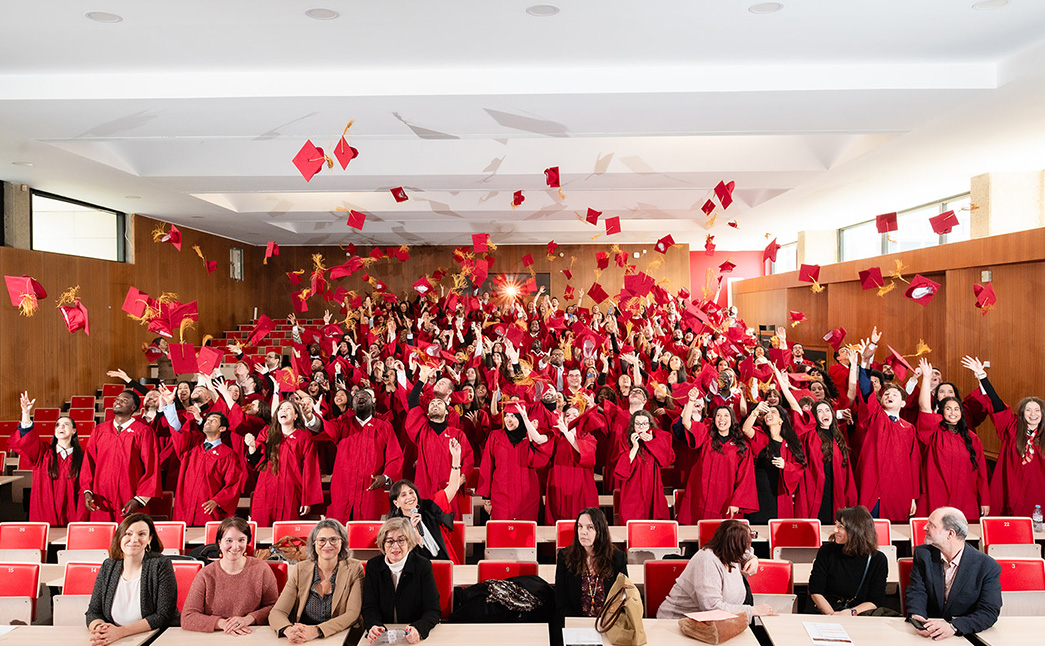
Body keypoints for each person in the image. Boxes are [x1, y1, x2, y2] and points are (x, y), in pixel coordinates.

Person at [961, 356, 1045, 516]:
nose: (1033, 414)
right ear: (1022, 413)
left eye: (1037, 410)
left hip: (1037, 495)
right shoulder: (1012, 427)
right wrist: (982, 376)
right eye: (1028, 410)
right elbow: (996, 402)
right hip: (1011, 488)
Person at [906, 507, 1002, 639]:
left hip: (964, 634)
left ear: (950, 534)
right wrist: (917, 616)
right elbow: (917, 591)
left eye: (931, 525)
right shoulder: (923, 554)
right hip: (928, 633)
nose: (924, 527)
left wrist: (953, 626)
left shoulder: (987, 567)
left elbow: (988, 612)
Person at [85, 513, 177, 645]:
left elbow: (163, 615)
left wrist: (120, 632)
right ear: (120, 537)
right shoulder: (108, 565)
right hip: (115, 640)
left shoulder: (160, 565)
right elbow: (93, 611)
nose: (134, 539)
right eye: (128, 534)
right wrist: (99, 629)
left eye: (141, 534)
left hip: (153, 638)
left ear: (149, 539)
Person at [656, 519, 774, 621]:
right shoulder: (707, 561)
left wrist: (754, 558)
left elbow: (747, 553)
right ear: (734, 546)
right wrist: (753, 610)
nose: (748, 547)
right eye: (746, 543)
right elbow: (712, 608)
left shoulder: (731, 554)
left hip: (719, 622)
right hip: (681, 621)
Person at [269, 519, 365, 643]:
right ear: (314, 544)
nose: (328, 544)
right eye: (322, 540)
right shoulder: (300, 569)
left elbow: (353, 614)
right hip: (303, 639)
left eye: (333, 539)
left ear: (342, 542)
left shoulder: (354, 568)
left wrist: (316, 631)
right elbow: (278, 611)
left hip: (339, 638)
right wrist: (288, 630)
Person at [915, 359, 989, 520]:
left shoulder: (972, 438)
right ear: (942, 411)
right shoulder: (934, 431)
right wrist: (926, 378)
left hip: (965, 496)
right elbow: (924, 408)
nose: (953, 412)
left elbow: (981, 472)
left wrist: (985, 500)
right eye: (948, 408)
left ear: (962, 412)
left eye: (956, 409)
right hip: (936, 494)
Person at [181, 516, 280, 634]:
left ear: (247, 541)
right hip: (216, 637)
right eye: (229, 540)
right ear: (219, 542)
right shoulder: (206, 574)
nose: (235, 546)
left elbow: (275, 608)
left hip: (252, 634)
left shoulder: (261, 568)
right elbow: (188, 617)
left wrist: (249, 619)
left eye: (241, 540)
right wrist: (222, 623)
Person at [161, 387, 246, 525]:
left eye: (213, 420)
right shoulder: (192, 445)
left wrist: (217, 501)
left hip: (208, 510)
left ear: (222, 429)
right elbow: (177, 431)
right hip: (185, 507)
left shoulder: (228, 454)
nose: (208, 421)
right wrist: (170, 405)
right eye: (208, 419)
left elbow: (233, 484)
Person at [319, 388, 404, 522]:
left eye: (366, 396)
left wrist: (386, 477)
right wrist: (311, 418)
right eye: (357, 396)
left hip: (369, 490)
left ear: (373, 403)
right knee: (339, 531)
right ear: (351, 405)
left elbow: (395, 456)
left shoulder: (384, 427)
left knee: (366, 532)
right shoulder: (342, 424)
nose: (361, 397)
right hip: (343, 489)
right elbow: (324, 428)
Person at [81, 389, 161, 521]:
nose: (118, 402)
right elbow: (88, 463)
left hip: (129, 496)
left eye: (124, 400)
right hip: (101, 498)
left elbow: (151, 468)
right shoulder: (100, 430)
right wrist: (87, 491)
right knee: (102, 538)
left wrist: (139, 499)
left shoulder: (143, 431)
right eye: (117, 399)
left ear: (133, 407)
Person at [675, 399, 759, 523]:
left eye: (726, 415)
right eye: (718, 415)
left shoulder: (741, 446)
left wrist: (736, 502)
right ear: (714, 420)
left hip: (726, 498)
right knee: (700, 532)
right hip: (702, 495)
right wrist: (691, 401)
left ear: (732, 420)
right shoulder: (706, 437)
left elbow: (746, 477)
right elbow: (687, 423)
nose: (722, 419)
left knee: (725, 535)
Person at [361, 517, 441, 645]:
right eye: (390, 541)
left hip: (412, 634)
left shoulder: (422, 565)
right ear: (383, 543)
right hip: (384, 636)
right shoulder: (373, 566)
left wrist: (419, 629)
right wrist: (374, 625)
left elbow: (433, 610)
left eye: (401, 540)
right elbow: (370, 607)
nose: (395, 546)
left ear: (409, 542)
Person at [9, 391, 85, 524]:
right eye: (57, 425)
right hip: (44, 512)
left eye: (66, 424)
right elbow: (27, 442)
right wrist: (26, 414)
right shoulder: (43, 453)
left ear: (74, 431)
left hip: (71, 513)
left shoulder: (82, 457)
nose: (61, 426)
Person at [386, 436, 464, 564]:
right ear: (396, 502)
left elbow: (453, 488)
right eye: (403, 495)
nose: (410, 497)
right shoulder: (394, 526)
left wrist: (456, 458)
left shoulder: (428, 507)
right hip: (414, 572)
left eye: (412, 492)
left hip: (442, 563)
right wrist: (412, 532)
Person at [246, 400, 324, 525]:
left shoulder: (304, 437)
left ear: (296, 416)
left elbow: (310, 469)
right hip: (265, 490)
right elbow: (256, 461)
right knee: (262, 528)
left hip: (291, 492)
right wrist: (251, 447)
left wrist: (307, 499)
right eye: (281, 408)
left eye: (288, 408)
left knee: (287, 533)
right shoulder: (267, 433)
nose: (283, 410)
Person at [808, 506, 888, 615]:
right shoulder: (827, 551)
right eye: (836, 524)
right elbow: (816, 591)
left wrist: (851, 612)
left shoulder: (878, 560)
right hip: (827, 612)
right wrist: (831, 615)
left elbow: (875, 600)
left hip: (859, 616)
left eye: (840, 527)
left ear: (856, 530)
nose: (835, 530)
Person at [476, 402, 546, 521]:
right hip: (501, 495)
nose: (509, 419)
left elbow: (540, 462)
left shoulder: (531, 438)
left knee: (526, 532)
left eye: (513, 416)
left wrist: (531, 439)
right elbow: (487, 466)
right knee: (501, 532)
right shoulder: (495, 436)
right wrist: (486, 498)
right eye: (506, 415)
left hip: (528, 496)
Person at [554, 507, 628, 618]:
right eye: (580, 526)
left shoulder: (617, 558)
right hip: (575, 623)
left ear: (601, 530)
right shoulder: (565, 557)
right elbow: (561, 600)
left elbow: (622, 597)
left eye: (590, 527)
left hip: (608, 623)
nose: (583, 532)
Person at [614, 409, 674, 523]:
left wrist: (652, 442)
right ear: (633, 425)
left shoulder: (657, 438)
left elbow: (666, 461)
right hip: (632, 490)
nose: (641, 427)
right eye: (638, 424)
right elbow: (622, 468)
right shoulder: (624, 440)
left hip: (653, 488)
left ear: (650, 425)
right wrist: (635, 447)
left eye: (645, 423)